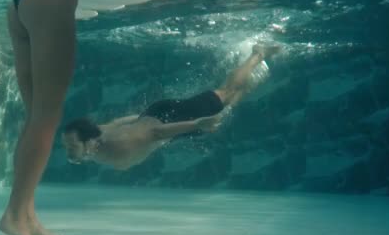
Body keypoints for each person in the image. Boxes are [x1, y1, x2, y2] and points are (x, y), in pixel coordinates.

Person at [62, 44, 281, 171]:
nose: (69, 152)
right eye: (68, 147)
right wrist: (142, 116)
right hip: (157, 116)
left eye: (72, 147)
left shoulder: (120, 144)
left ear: (88, 142)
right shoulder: (96, 138)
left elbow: (154, 132)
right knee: (225, 110)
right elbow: (116, 123)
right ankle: (249, 84)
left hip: (170, 118)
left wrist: (196, 123)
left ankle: (257, 54)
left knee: (225, 93)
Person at [0, 0, 81, 235]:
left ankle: (27, 215)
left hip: (23, 1)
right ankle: (14, 214)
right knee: (46, 116)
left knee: (35, 115)